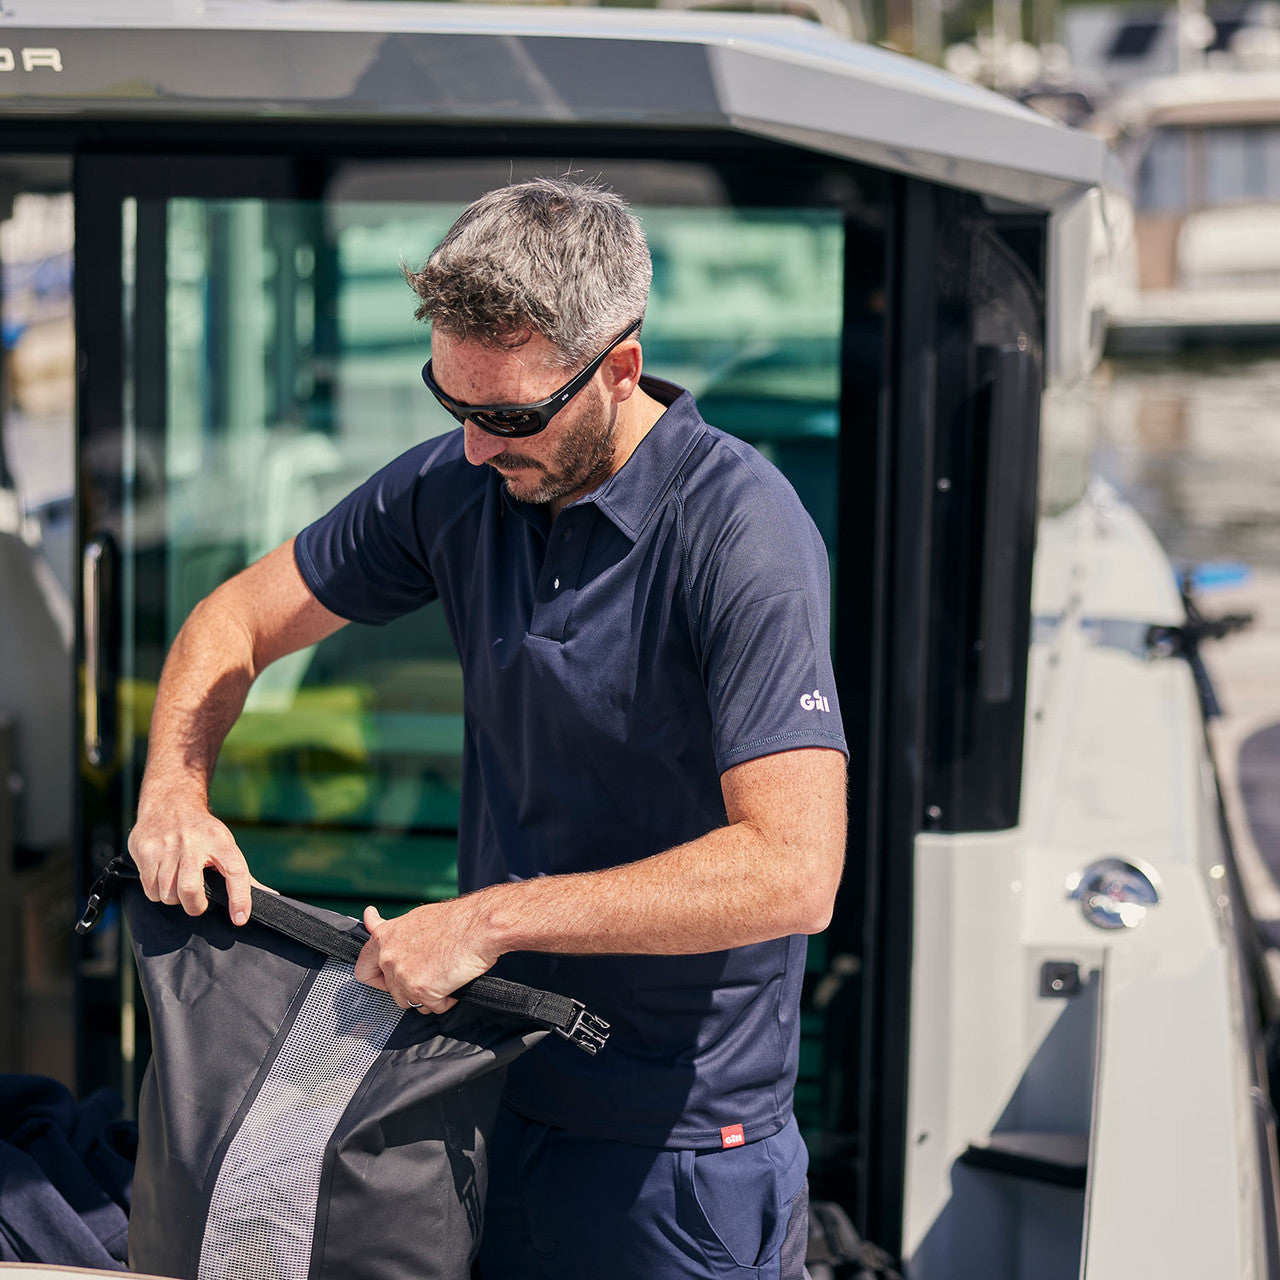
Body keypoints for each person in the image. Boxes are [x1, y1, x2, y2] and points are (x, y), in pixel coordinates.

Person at [128, 177, 848, 1280]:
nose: (473, 445)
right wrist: (175, 790)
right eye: (449, 401)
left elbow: (793, 870)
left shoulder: (742, 531)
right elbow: (235, 619)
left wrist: (487, 920)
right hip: (480, 1092)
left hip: (677, 1151)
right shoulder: (458, 481)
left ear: (618, 367)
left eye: (508, 416)